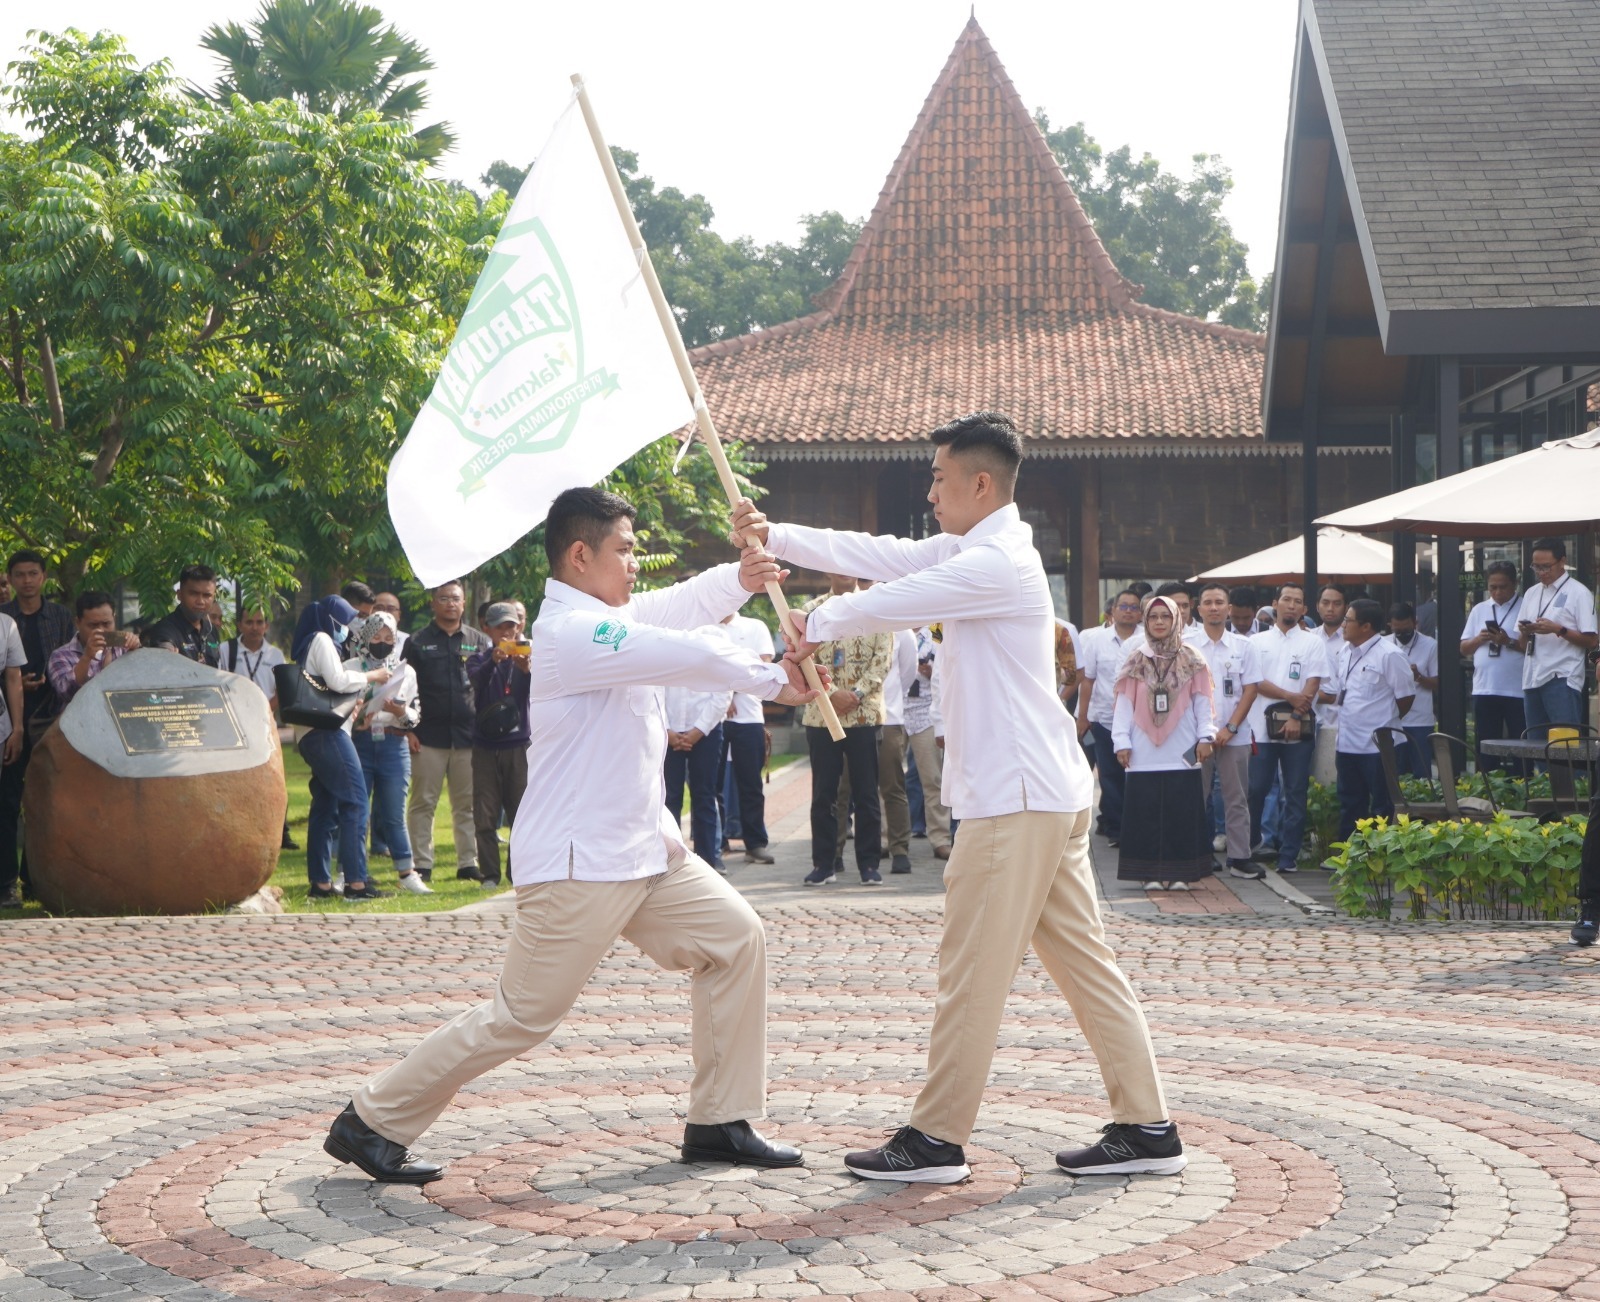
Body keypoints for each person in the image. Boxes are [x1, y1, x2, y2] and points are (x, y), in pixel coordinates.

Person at [735, 410, 1184, 1184]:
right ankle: (1148, 1126)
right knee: (1086, 968)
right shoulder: (978, 548)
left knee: (972, 971)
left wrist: (818, 620)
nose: (930, 492)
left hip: (1016, 800)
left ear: (981, 484)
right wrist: (777, 537)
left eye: (939, 479)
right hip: (1037, 794)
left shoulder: (997, 562)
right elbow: (881, 555)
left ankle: (936, 1140)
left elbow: (897, 599)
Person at [324, 487, 819, 1184]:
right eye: (625, 550)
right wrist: (771, 679)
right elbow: (674, 648)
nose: (636, 563)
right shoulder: (571, 633)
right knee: (521, 1018)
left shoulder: (611, 615)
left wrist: (741, 576)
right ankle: (372, 1121)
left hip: (644, 852)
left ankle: (721, 1120)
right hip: (578, 862)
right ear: (581, 555)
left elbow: (681, 604)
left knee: (736, 940)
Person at [292, 596, 392, 902]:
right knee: (356, 802)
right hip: (327, 733)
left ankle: (321, 884)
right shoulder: (322, 639)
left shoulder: (311, 642)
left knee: (325, 806)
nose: (348, 626)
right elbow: (336, 681)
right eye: (345, 619)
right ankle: (356, 883)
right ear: (330, 618)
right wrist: (372, 676)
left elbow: (330, 686)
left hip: (311, 733)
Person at [1111, 596, 1215, 889]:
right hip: (1142, 748)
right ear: (1145, 621)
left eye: (1165, 616)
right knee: (1144, 812)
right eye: (1153, 617)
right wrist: (1121, 741)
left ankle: (1180, 873)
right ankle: (1149, 874)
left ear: (1176, 620)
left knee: (1181, 811)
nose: (1159, 622)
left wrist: (1206, 736)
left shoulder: (1192, 658)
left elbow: (1202, 702)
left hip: (1182, 747)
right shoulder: (1136, 658)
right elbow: (1124, 704)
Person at [798, 576, 891, 887]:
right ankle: (823, 864)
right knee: (823, 794)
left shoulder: (876, 608)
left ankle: (869, 864)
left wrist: (856, 694)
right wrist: (832, 693)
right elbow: (801, 659)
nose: (843, 572)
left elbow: (882, 661)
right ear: (827, 572)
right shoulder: (809, 612)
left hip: (864, 715)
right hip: (821, 714)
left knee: (867, 793)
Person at [403, 581, 491, 884]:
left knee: (467, 804)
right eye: (444, 598)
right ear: (433, 603)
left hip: (469, 736)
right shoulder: (417, 642)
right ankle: (422, 864)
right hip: (427, 736)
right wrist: (408, 731)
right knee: (423, 803)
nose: (450, 603)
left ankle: (468, 862)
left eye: (455, 598)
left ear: (464, 603)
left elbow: (488, 687)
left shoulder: (478, 641)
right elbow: (405, 688)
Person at [0, 550, 74, 908]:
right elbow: (9, 672)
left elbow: (71, 658)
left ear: (44, 577)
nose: (27, 581)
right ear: (11, 579)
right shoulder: (4, 617)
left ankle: (35, 878)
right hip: (10, 719)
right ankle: (7, 883)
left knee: (46, 798)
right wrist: (17, 687)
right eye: (20, 574)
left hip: (50, 716)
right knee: (8, 800)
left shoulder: (60, 616)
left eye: (33, 573)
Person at [1247, 583, 1329, 874]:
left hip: (1300, 726)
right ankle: (1252, 846)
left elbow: (1313, 683)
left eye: (1297, 601)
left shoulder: (1312, 643)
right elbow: (1255, 682)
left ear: (1304, 609)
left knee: (1295, 791)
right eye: (1286, 599)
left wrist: (1295, 714)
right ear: (1275, 603)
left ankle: (1288, 855)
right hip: (1260, 727)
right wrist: (1289, 695)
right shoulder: (1256, 642)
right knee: (1256, 789)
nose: (1291, 605)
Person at [347, 612, 428, 894]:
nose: (382, 643)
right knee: (357, 811)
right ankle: (351, 872)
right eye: (376, 637)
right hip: (359, 743)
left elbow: (415, 717)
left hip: (394, 743)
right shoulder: (352, 668)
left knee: (394, 813)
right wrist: (359, 717)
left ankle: (407, 873)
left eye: (388, 638)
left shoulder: (406, 672)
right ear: (365, 637)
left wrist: (400, 711)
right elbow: (340, 709)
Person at [1323, 599, 1414, 840]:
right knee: (1350, 804)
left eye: (1348, 620)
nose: (1343, 625)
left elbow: (1406, 697)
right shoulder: (1345, 651)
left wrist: (1384, 721)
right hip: (1347, 744)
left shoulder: (1390, 655)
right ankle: (1351, 854)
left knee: (1383, 806)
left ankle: (1381, 854)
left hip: (1378, 747)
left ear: (1366, 626)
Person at [1193, 582, 1262, 880]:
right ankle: (1198, 854)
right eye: (1208, 602)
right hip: (1196, 736)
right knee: (1197, 797)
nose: (1214, 608)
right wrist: (1204, 732)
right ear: (1199, 609)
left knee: (1237, 797)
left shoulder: (1244, 646)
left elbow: (1251, 689)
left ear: (1229, 608)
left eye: (1219, 602)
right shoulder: (1186, 645)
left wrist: (1231, 727)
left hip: (1236, 734)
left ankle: (1239, 857)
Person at [463, 603, 531, 889]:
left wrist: (527, 670)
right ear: (487, 629)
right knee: (485, 814)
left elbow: (542, 692)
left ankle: (519, 873)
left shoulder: (529, 656)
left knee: (522, 815)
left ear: (519, 627)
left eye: (511, 626)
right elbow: (476, 682)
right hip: (485, 747)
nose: (506, 633)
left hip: (519, 746)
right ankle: (490, 875)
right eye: (500, 627)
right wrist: (493, 661)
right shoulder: (477, 659)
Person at [224, 608, 294, 849]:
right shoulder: (226, 650)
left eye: (259, 622)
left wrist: (262, 710)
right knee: (237, 777)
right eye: (249, 622)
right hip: (234, 725)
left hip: (265, 724)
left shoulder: (275, 655)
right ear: (239, 625)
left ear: (266, 626)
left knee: (273, 776)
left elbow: (282, 691)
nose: (255, 627)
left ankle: (280, 831)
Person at [1075, 590, 1142, 843]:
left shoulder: (1146, 639)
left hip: (1138, 722)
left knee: (1134, 776)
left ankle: (1134, 826)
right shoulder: (1097, 640)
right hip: (1103, 719)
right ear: (1112, 611)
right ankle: (1115, 829)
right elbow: (1087, 680)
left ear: (1140, 613)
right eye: (1123, 606)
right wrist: (1083, 717)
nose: (1128, 611)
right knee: (1109, 776)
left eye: (1134, 607)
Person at [1513, 538, 1598, 738]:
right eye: (1536, 567)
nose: (1541, 572)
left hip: (1561, 676)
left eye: (1546, 566)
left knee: (1564, 744)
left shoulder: (1578, 593)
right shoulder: (1532, 593)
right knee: (1535, 746)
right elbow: (1522, 644)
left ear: (1562, 562)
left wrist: (1558, 629)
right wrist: (1526, 631)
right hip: (1532, 677)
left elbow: (1592, 641)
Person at [718, 612, 775, 864]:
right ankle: (715, 843)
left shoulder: (755, 627)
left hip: (748, 717)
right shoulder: (701, 626)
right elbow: (698, 670)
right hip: (711, 719)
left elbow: (761, 669)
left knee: (750, 784)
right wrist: (723, 697)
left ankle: (755, 843)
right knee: (711, 786)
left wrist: (729, 692)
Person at [664, 669, 732, 873]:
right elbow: (653, 690)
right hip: (667, 730)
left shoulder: (714, 645)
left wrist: (699, 730)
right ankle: (669, 862)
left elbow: (723, 689)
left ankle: (707, 862)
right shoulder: (662, 647)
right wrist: (666, 730)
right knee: (668, 798)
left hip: (707, 730)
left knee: (704, 796)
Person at [1461, 562, 1527, 773]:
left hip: (1517, 690)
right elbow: (1463, 648)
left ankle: (1524, 785)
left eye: (1503, 587)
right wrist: (1479, 639)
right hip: (1485, 688)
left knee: (1521, 745)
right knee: (1486, 746)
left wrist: (1507, 641)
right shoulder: (1479, 609)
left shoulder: (1525, 607)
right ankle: (1487, 786)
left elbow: (1533, 649)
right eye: (1492, 587)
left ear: (1514, 584)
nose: (1497, 592)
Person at [904, 626, 952, 859]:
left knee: (933, 779)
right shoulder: (892, 632)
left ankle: (940, 838)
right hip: (893, 712)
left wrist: (929, 671)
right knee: (887, 781)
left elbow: (943, 675)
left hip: (925, 713)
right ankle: (886, 839)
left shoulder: (934, 635)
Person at [47, 591, 131, 706]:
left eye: (106, 624)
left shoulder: (124, 648)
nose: (100, 631)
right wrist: (86, 657)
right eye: (93, 625)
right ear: (78, 623)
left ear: (114, 620)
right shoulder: (60, 656)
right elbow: (66, 693)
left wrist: (137, 650)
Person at [1384, 602, 1439, 778]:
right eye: (1398, 631)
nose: (1402, 635)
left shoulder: (1430, 645)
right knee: (1395, 772)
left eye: (1407, 630)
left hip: (1420, 720)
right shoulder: (1384, 645)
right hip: (1392, 718)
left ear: (1415, 623)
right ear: (1390, 626)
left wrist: (1419, 677)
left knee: (1422, 773)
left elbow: (1438, 683)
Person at [143, 564, 222, 666]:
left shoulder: (211, 630)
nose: (200, 601)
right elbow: (164, 650)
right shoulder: (165, 629)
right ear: (179, 595)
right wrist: (167, 652)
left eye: (207, 595)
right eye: (194, 594)